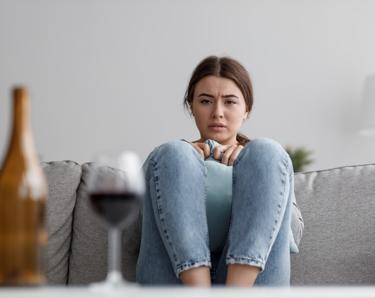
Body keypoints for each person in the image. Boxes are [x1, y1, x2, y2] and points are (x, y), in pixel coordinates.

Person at [136, 56, 304, 287]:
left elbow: (292, 233)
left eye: (230, 102)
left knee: (267, 151)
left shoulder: (267, 164)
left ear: (247, 109)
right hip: (175, 284)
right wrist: (181, 166)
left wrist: (252, 171)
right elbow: (132, 235)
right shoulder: (166, 160)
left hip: (252, 285)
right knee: (173, 153)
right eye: (205, 101)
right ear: (191, 106)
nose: (217, 112)